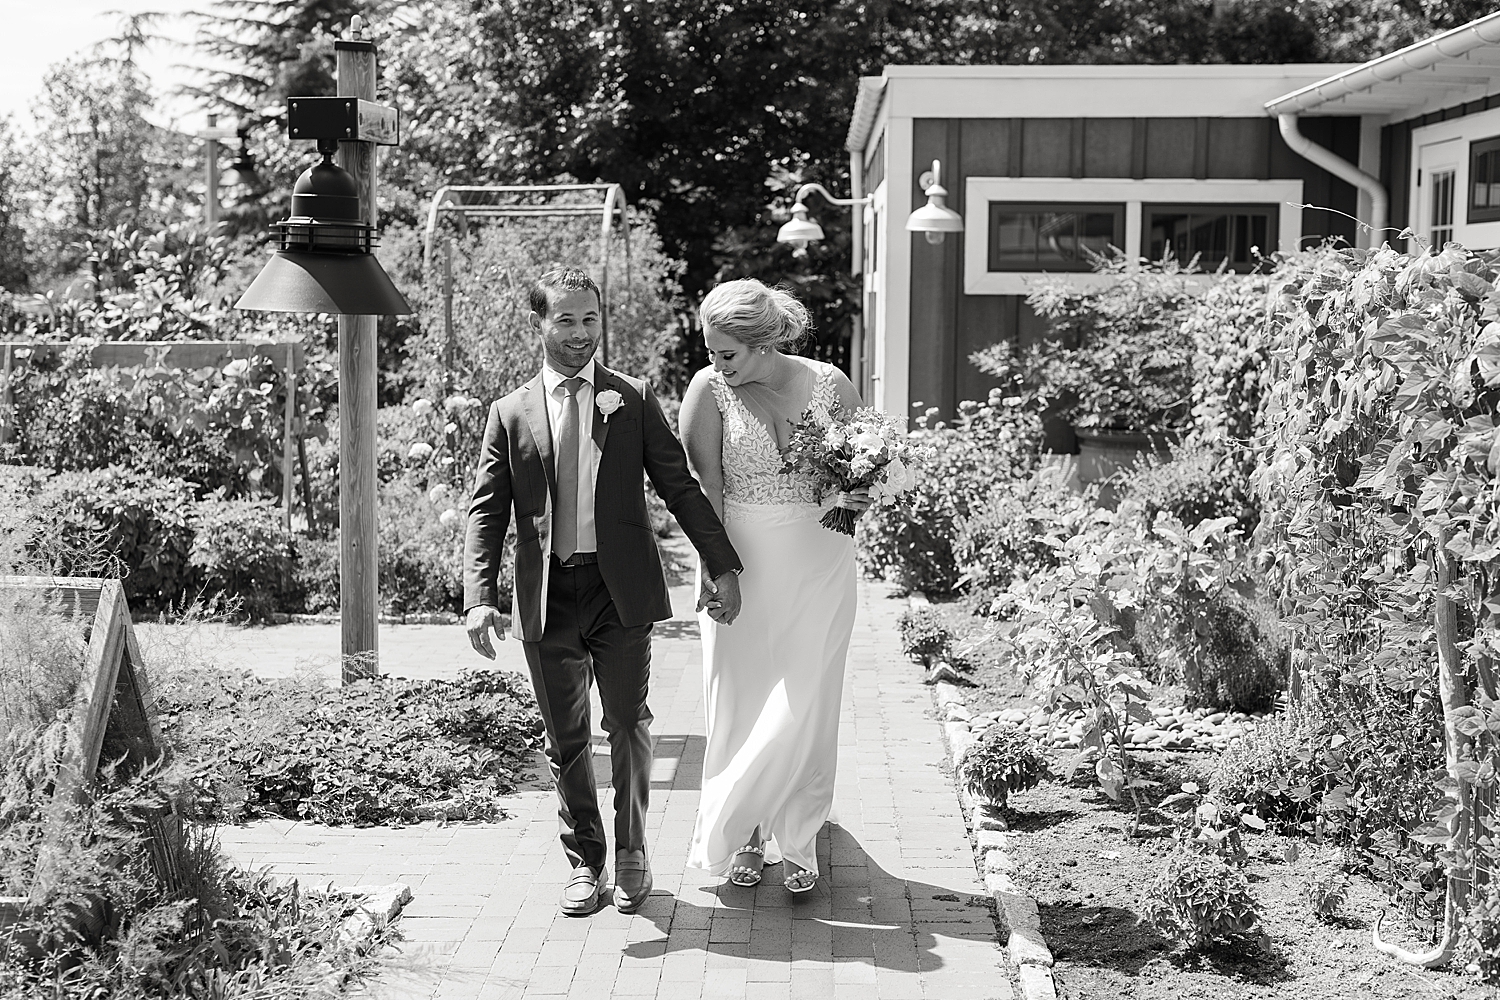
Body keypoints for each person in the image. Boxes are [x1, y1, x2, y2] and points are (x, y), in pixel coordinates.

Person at [464, 267, 744, 917]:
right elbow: (486, 512)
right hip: (546, 597)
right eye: (565, 320)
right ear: (538, 324)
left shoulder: (632, 398)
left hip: (618, 591)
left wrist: (721, 564)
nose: (581, 334)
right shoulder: (508, 414)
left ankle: (634, 852)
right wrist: (480, 596)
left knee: (627, 725)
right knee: (565, 739)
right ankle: (584, 861)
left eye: (591, 320)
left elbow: (679, 487)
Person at [680, 278, 870, 894]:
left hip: (821, 559)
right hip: (744, 564)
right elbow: (704, 490)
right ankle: (746, 832)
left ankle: (799, 832)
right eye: (710, 351)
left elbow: (855, 470)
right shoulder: (708, 393)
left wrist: (856, 494)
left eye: (727, 353)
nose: (716, 364)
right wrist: (715, 568)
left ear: (764, 343)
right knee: (741, 698)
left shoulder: (830, 384)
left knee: (808, 698)